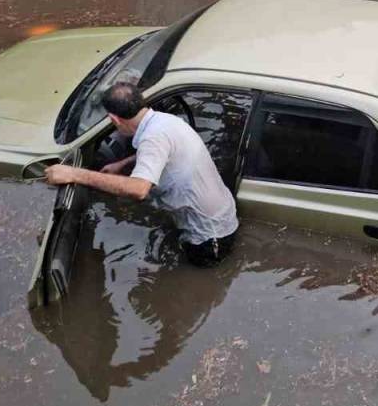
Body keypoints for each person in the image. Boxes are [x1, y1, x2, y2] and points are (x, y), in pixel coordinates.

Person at [44, 82, 240, 267]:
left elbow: (138, 189)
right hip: (223, 214)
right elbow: (162, 154)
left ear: (114, 119)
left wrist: (75, 174)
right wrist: (122, 163)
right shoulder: (165, 121)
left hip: (209, 238)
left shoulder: (152, 138)